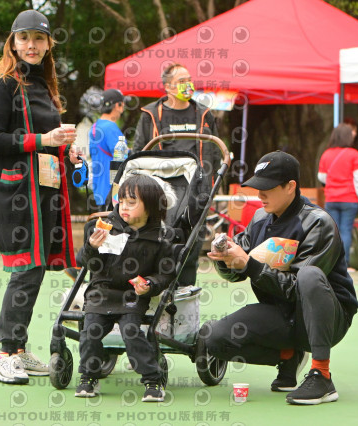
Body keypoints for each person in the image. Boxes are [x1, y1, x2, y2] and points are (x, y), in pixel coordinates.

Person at [204, 151, 358, 405]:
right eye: (258, 187)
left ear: (290, 187)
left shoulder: (318, 223)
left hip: (328, 320)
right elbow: (236, 271)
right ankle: (288, 355)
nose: (260, 194)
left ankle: (322, 375)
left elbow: (299, 288)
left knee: (309, 275)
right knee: (214, 338)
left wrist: (249, 265)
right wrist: (225, 259)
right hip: (280, 315)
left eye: (267, 188)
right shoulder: (259, 218)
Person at [0, 9, 80, 384]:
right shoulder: (4, 85)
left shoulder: (44, 86)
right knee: (24, 269)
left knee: (34, 270)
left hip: (43, 191)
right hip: (15, 195)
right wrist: (43, 139)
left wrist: (66, 149)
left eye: (39, 38)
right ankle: (5, 355)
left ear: (48, 44)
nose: (31, 45)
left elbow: (46, 141)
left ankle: (18, 350)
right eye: (24, 38)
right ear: (13, 42)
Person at [76, 174, 175, 402]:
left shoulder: (160, 239)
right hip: (102, 292)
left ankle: (152, 379)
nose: (124, 207)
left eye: (131, 202)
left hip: (132, 295)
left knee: (131, 332)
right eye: (121, 201)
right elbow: (89, 264)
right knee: (90, 332)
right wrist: (91, 247)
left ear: (151, 207)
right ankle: (88, 376)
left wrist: (150, 284)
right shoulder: (106, 229)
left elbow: (165, 273)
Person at [133, 63, 220, 286]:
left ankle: (185, 291)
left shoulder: (204, 114)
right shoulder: (151, 114)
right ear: (168, 87)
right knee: (160, 242)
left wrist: (211, 187)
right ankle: (156, 287)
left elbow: (215, 154)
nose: (188, 85)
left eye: (189, 80)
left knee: (191, 244)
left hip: (196, 191)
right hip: (161, 191)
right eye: (182, 81)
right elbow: (138, 152)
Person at [318, 123, 358, 272]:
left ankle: (332, 264)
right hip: (349, 198)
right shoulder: (354, 154)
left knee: (333, 232)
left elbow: (322, 176)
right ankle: (345, 264)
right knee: (346, 230)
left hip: (331, 198)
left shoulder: (326, 154)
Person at [89, 88, 129, 210]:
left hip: (99, 190)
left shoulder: (94, 127)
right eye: (122, 105)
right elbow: (122, 157)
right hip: (113, 191)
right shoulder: (110, 127)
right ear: (118, 105)